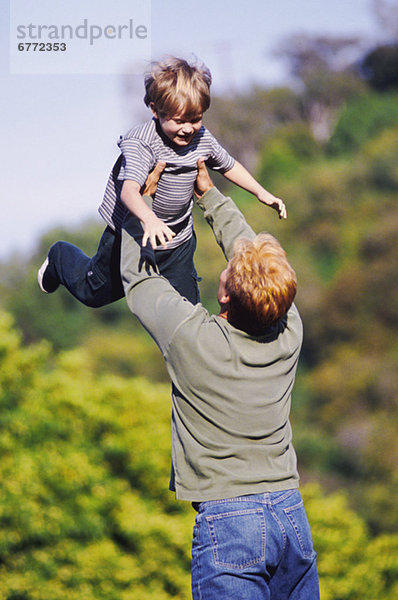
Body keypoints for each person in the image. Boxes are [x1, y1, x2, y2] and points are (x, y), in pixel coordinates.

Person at [120, 159, 320, 599]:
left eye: (232, 268)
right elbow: (254, 264)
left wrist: (144, 205)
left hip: (229, 524)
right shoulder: (291, 330)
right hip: (290, 514)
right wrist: (209, 194)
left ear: (225, 294)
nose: (232, 261)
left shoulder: (193, 338)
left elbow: (137, 280)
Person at [38, 56, 286, 307]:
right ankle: (59, 257)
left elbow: (228, 165)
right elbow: (129, 191)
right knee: (94, 292)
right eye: (179, 121)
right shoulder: (141, 143)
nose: (188, 129)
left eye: (196, 119)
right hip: (129, 235)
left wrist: (261, 192)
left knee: (188, 310)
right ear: (155, 110)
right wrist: (150, 220)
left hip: (177, 242)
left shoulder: (201, 137)